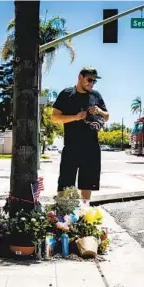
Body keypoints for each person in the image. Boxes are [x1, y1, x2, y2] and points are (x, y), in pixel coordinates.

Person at [51, 66, 109, 205]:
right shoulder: (66, 94)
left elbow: (107, 117)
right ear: (80, 77)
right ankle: (62, 213)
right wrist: (76, 117)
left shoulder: (96, 95)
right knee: (65, 182)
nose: (92, 83)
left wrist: (99, 111)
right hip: (71, 146)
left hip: (91, 147)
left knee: (87, 183)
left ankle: (84, 212)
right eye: (89, 80)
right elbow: (54, 117)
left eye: (94, 81)